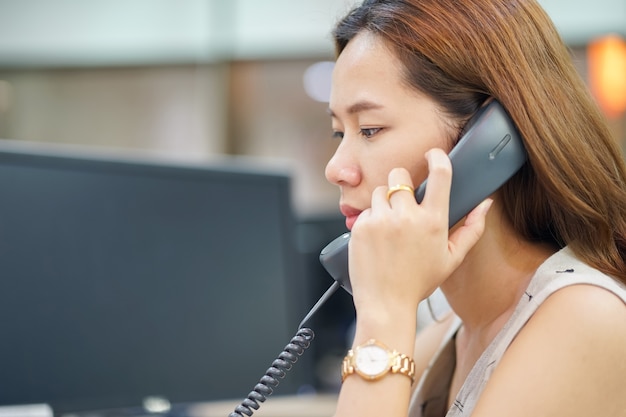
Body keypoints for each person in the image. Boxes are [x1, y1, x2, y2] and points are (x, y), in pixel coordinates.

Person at [323, 0, 626, 416]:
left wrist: (384, 316)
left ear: (487, 141)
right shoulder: (448, 334)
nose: (336, 168)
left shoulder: (585, 319)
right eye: (339, 133)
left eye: (370, 129)